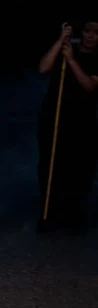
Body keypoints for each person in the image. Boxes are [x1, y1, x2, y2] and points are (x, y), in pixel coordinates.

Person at [37, 19, 98, 231]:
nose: (91, 36)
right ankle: (49, 213)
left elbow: (90, 85)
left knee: (80, 169)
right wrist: (60, 41)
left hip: (83, 121)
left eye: (96, 33)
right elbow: (43, 67)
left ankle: (75, 216)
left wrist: (72, 61)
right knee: (51, 165)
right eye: (88, 31)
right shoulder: (65, 49)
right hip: (55, 115)